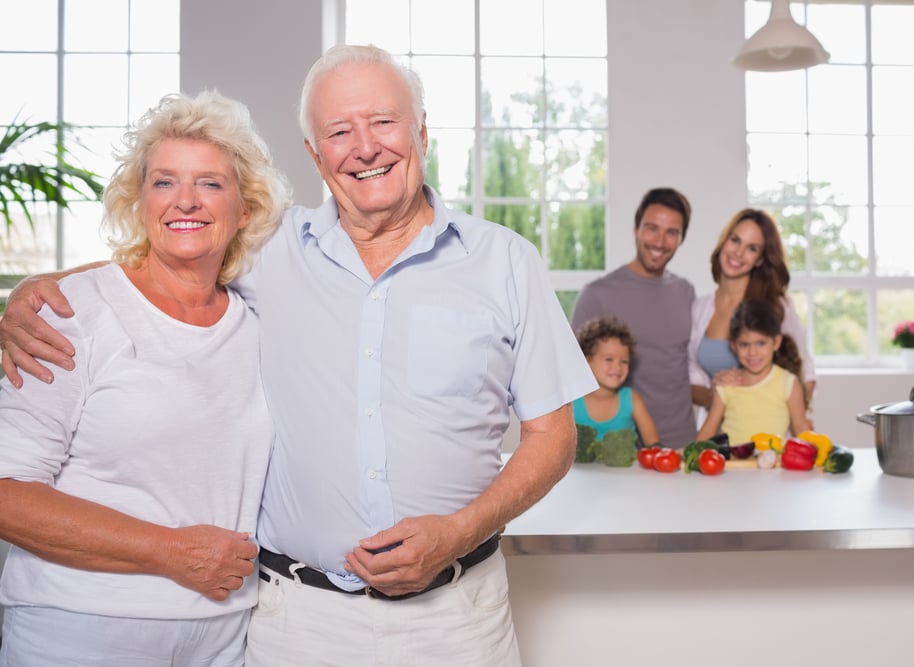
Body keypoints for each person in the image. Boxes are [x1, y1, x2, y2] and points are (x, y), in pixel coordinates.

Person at [0, 45, 596, 667]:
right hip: (296, 622)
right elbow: (172, 253)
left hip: (457, 618)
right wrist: (40, 292)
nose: (365, 147)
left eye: (384, 122)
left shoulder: (505, 261)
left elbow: (553, 436)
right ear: (315, 154)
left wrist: (460, 530)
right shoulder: (271, 249)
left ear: (421, 130)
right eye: (340, 131)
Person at [0, 91, 291, 665]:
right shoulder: (69, 314)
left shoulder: (261, 320)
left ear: (246, 208)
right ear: (139, 202)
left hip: (226, 633)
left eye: (210, 183)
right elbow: (6, 493)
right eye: (164, 182)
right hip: (80, 630)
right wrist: (169, 552)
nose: (186, 200)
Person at [571, 187, 696, 448]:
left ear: (681, 239)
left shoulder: (685, 292)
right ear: (636, 229)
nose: (660, 242)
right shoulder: (597, 294)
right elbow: (570, 376)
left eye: (671, 232)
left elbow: (693, 364)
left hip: (680, 440)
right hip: (616, 446)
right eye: (652, 228)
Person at [688, 208, 816, 413]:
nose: (738, 253)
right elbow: (692, 374)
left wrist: (792, 418)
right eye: (735, 240)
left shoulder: (776, 306)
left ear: (760, 260)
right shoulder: (699, 308)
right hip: (718, 432)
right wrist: (714, 394)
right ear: (724, 241)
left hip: (767, 432)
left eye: (752, 248)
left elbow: (805, 372)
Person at [695, 299, 810, 445]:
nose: (752, 353)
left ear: (776, 343)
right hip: (733, 466)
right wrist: (690, 455)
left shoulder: (788, 382)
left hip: (774, 466)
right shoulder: (726, 384)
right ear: (733, 346)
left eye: (761, 343)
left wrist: (819, 455)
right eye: (744, 344)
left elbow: (801, 429)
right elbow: (708, 429)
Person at [573, 316, 660, 445]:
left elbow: (654, 446)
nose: (617, 367)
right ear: (587, 360)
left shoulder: (632, 399)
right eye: (609, 359)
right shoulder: (571, 400)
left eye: (624, 361)